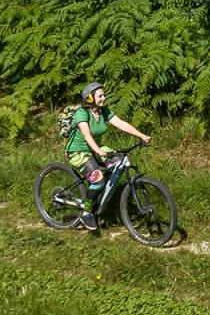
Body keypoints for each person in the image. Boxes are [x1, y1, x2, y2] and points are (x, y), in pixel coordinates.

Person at [65, 81, 151, 230]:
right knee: (98, 178)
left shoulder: (103, 111)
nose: (104, 98)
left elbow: (121, 123)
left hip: (97, 148)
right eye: (100, 96)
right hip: (77, 150)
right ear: (90, 98)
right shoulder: (82, 113)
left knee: (120, 161)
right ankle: (87, 212)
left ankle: (99, 195)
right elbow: (86, 135)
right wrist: (97, 150)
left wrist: (141, 135)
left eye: (104, 95)